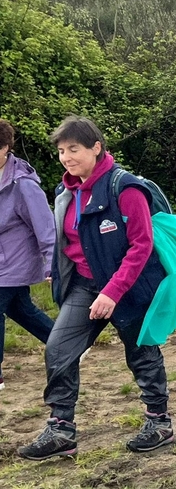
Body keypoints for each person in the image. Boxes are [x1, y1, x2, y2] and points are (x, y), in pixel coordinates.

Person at [18, 116, 173, 460]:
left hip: (129, 287)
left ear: (96, 148)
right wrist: (55, 271)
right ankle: (61, 429)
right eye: (61, 151)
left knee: (141, 354)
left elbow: (141, 246)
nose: (66, 157)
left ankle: (158, 421)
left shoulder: (125, 188)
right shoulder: (65, 191)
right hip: (85, 287)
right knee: (58, 349)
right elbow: (65, 242)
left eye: (74, 149)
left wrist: (114, 291)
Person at [0, 119, 56, 391]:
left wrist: (51, 265)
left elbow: (46, 227)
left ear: (6, 148)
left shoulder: (23, 184)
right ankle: (67, 345)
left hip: (14, 263)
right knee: (20, 309)